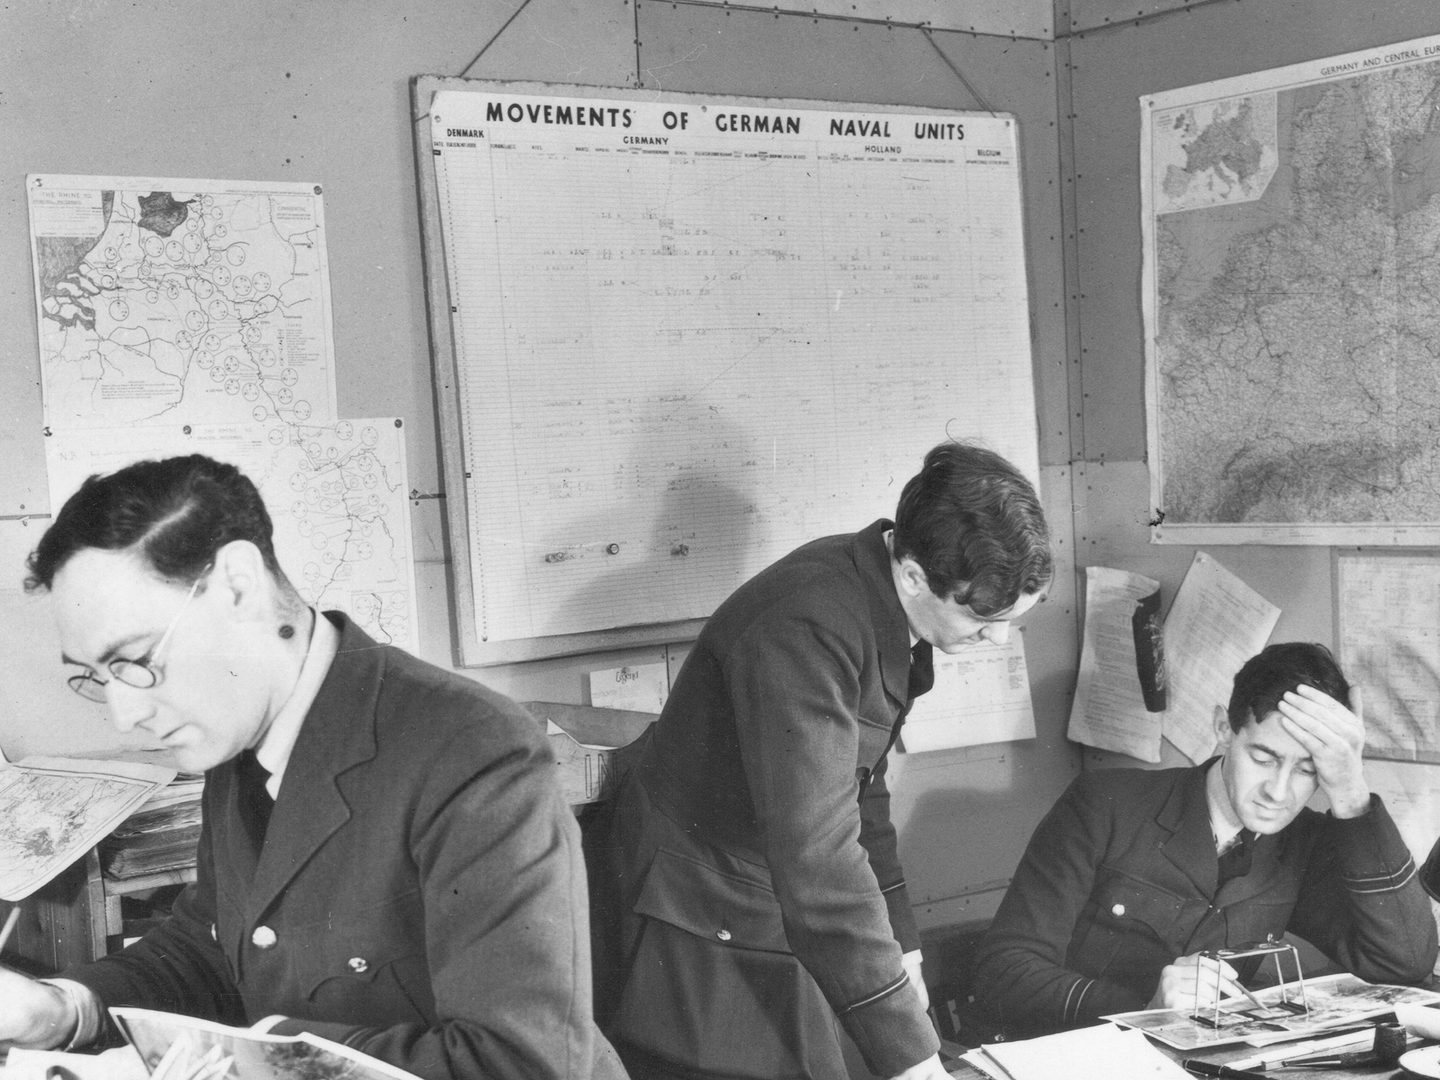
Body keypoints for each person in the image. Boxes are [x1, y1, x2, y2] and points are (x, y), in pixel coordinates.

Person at [1, 454, 625, 1080]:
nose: (123, 713)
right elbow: (214, 951)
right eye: (97, 678)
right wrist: (59, 1011)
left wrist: (256, 1065)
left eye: (135, 660)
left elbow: (519, 1065)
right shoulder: (243, 737)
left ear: (238, 585)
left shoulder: (473, 751)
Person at [599, 441, 1053, 1080]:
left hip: (770, 888)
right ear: (917, 574)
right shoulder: (807, 625)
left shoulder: (881, 595)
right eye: (983, 616)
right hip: (697, 907)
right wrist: (916, 1060)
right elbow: (819, 858)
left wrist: (906, 954)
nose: (999, 638)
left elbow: (861, 789)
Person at [970, 641, 1439, 1038]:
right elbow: (1003, 973)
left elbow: (1405, 962)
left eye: (1307, 770)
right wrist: (1145, 1010)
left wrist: (1351, 791)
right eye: (1263, 756)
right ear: (1222, 729)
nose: (1279, 792)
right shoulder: (1106, 804)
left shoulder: (1302, 842)